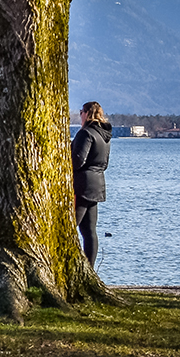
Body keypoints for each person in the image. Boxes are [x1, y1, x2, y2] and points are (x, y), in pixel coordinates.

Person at [71, 101, 111, 267]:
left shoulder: (85, 133)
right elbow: (105, 163)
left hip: (82, 185)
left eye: (81, 112)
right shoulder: (104, 136)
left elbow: (77, 160)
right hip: (97, 185)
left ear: (86, 113)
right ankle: (89, 268)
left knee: (70, 226)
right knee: (89, 231)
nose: (80, 115)